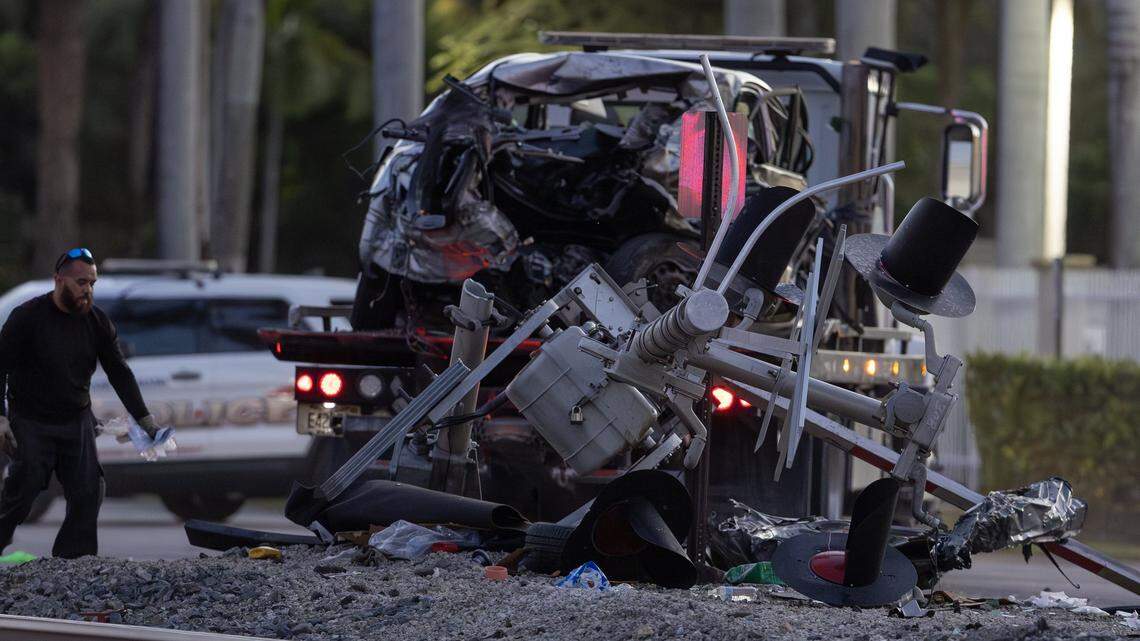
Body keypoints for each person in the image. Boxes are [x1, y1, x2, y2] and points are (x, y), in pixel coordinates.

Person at [0, 248, 159, 558]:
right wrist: (1, 418)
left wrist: (144, 419)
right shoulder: (27, 317)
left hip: (76, 419)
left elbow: (119, 372)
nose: (87, 290)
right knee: (25, 487)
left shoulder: (97, 322)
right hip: (30, 418)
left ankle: (72, 566)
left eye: (92, 283)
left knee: (88, 492)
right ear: (59, 280)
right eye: (81, 282)